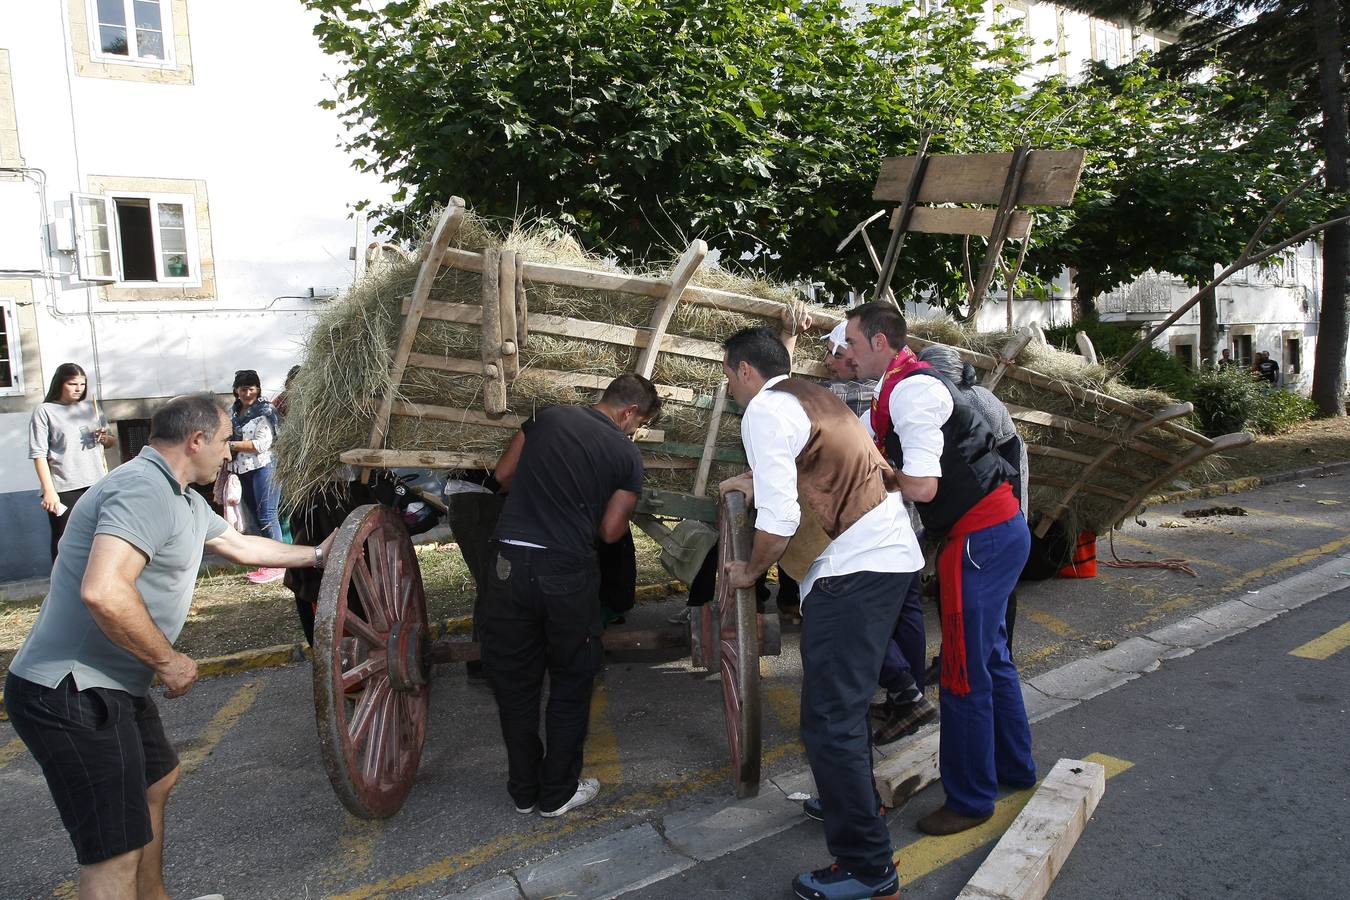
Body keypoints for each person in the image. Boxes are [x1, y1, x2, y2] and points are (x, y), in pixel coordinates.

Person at [5, 393, 333, 900]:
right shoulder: (141, 490)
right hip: (70, 690)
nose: (230, 452)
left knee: (156, 780)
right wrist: (168, 660)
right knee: (113, 852)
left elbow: (241, 546)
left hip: (111, 684)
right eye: (225, 441)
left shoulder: (179, 496)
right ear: (196, 439)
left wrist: (315, 554)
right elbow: (105, 590)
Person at [719, 326, 921, 900]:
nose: (731, 388)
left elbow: (780, 521)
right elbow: (816, 464)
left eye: (730, 376)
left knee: (829, 723)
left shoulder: (761, 410)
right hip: (887, 557)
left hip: (853, 571)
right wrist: (754, 478)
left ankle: (868, 867)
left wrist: (749, 571)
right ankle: (849, 800)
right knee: (847, 710)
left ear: (745, 371)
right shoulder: (813, 395)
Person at [843, 301, 1035, 838]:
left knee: (962, 673)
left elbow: (923, 486)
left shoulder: (913, 391)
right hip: (994, 530)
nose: (846, 354)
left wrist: (885, 477)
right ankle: (1015, 769)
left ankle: (971, 800)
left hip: (978, 539)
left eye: (852, 344)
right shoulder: (892, 389)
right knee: (992, 658)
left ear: (881, 343)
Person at [480, 374, 661, 818]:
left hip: (506, 565)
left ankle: (523, 791)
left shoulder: (545, 417)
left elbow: (503, 474)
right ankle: (557, 791)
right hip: (565, 571)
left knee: (515, 684)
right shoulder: (625, 454)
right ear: (629, 413)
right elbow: (611, 531)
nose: (633, 433)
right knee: (571, 680)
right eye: (637, 425)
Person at [918, 344, 1028, 652]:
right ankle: (960, 651)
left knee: (998, 582)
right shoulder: (947, 399)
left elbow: (997, 462)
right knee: (951, 578)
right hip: (971, 489)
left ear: (941, 378)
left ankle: (998, 651)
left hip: (1003, 481)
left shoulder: (971, 401)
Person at [29, 363, 117, 562]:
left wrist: (104, 438)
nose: (78, 389)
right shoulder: (45, 411)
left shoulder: (91, 407)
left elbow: (111, 442)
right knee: (65, 539)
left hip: (97, 483)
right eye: (72, 384)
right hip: (64, 487)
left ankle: (94, 583)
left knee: (100, 535)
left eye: (82, 384)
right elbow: (38, 454)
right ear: (60, 383)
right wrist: (49, 490)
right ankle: (62, 587)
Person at [226, 369, 285, 583]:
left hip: (264, 467)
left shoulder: (265, 411)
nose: (247, 393)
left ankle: (279, 564)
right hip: (242, 469)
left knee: (267, 515)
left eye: (251, 389)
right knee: (253, 517)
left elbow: (261, 445)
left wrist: (231, 445)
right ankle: (265, 562)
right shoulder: (232, 412)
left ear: (257, 389)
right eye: (243, 389)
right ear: (236, 390)